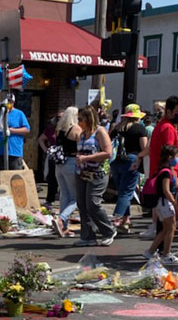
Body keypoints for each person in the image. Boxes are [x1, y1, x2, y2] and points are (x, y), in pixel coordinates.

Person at [136, 95, 178, 240]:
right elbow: (168, 155)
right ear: (169, 112)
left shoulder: (162, 126)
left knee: (163, 219)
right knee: (168, 222)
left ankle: (158, 251)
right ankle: (161, 252)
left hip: (160, 174)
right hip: (165, 175)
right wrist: (175, 179)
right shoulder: (168, 128)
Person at [74, 106, 115, 246]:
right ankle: (88, 236)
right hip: (82, 172)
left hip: (97, 172)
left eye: (80, 119)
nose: (78, 122)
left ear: (88, 118)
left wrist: (86, 158)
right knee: (82, 204)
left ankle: (108, 230)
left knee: (93, 203)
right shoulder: (82, 134)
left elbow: (108, 153)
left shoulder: (100, 132)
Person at [109, 104, 148, 234]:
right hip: (132, 160)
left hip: (116, 161)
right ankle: (117, 218)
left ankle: (126, 219)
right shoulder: (139, 128)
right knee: (127, 192)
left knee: (122, 191)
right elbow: (144, 148)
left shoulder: (117, 128)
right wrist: (141, 158)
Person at [144, 145, 178, 264]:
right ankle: (166, 254)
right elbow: (166, 190)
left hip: (161, 204)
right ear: (170, 157)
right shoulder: (166, 172)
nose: (177, 159)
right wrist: (175, 203)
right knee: (171, 229)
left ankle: (150, 251)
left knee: (165, 229)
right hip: (165, 203)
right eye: (176, 156)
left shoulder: (162, 169)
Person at [0, 95, 30, 181]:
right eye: (6, 100)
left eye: (10, 101)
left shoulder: (19, 114)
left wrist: (12, 130)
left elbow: (26, 129)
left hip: (14, 152)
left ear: (13, 102)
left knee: (14, 179)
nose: (8, 103)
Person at [52, 107, 80, 237]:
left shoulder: (59, 130)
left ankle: (63, 227)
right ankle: (61, 219)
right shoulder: (75, 130)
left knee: (64, 195)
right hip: (72, 162)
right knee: (76, 198)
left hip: (60, 164)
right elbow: (81, 146)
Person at [37, 115, 59, 205]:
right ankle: (50, 198)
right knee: (51, 177)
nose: (59, 120)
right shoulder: (50, 129)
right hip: (53, 155)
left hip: (65, 156)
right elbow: (40, 139)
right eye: (57, 118)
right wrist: (46, 150)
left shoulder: (68, 129)